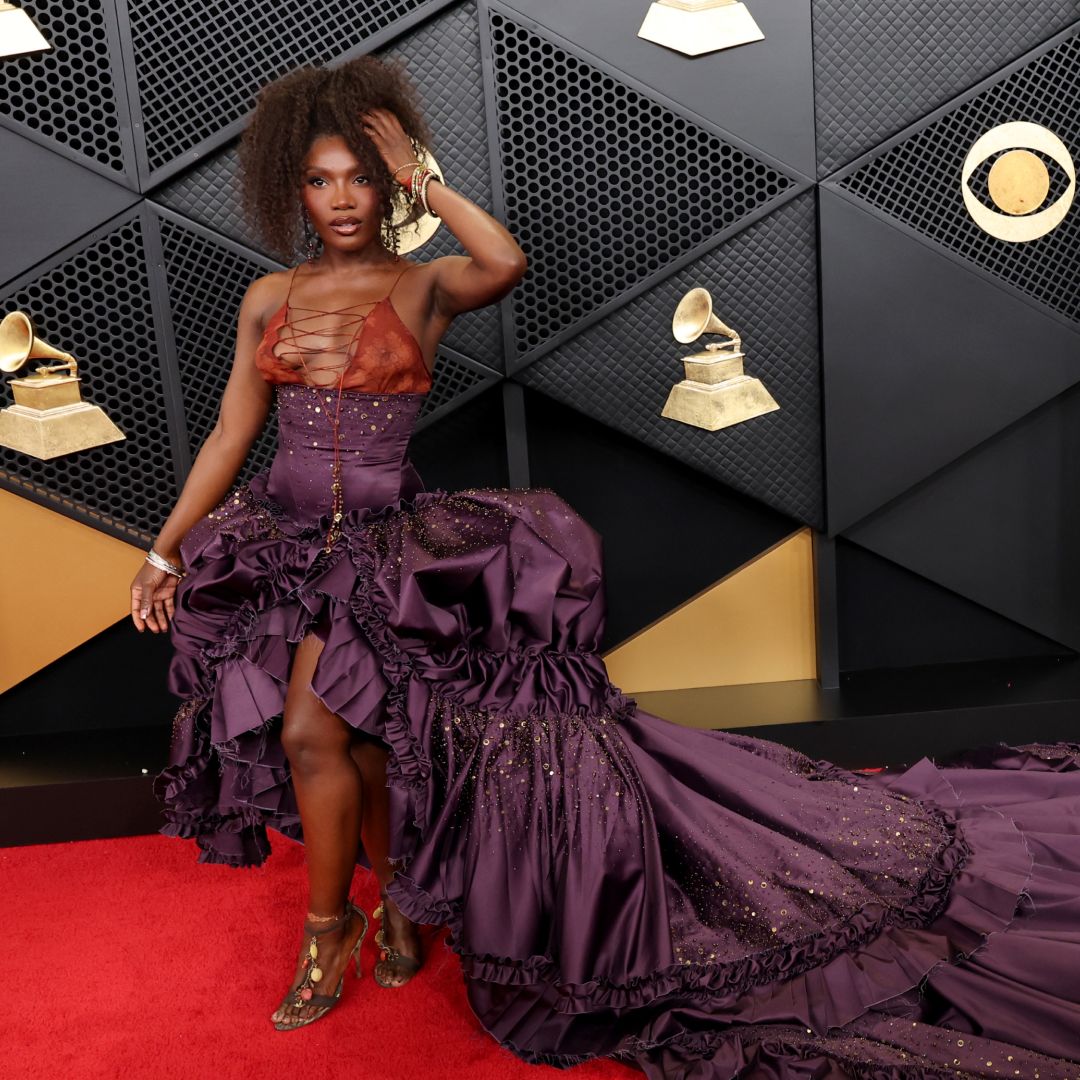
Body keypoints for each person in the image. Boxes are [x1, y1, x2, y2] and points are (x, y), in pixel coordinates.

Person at [130, 55, 1080, 1077]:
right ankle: (384, 910)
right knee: (350, 737)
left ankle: (340, 927)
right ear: (293, 188)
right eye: (321, 180)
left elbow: (504, 260)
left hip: (388, 549)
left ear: (386, 182)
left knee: (327, 729)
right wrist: (165, 545)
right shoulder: (269, 293)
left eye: (360, 176)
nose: (342, 198)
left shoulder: (426, 283)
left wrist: (426, 177)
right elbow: (235, 426)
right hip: (283, 542)